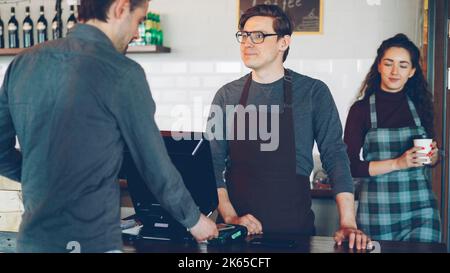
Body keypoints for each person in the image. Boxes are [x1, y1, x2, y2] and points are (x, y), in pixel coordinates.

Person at [0, 0, 217, 253]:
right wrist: (194, 220)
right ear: (120, 8)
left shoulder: (23, 63)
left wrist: (40, 175)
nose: (137, 33)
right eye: (139, 21)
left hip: (32, 242)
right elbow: (153, 165)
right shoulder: (122, 72)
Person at [207, 4, 370, 249]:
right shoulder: (226, 95)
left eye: (259, 36)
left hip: (294, 233)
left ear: (283, 42)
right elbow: (212, 164)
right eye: (244, 35)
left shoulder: (313, 92)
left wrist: (348, 222)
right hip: (235, 235)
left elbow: (336, 156)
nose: (247, 43)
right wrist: (230, 217)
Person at [344, 33, 441, 242]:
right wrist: (398, 163)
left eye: (403, 65)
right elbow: (348, 166)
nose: (395, 71)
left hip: (421, 210)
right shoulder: (360, 110)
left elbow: (434, 152)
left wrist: (434, 157)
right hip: (376, 213)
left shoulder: (422, 107)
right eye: (389, 63)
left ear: (412, 71)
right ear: (379, 66)